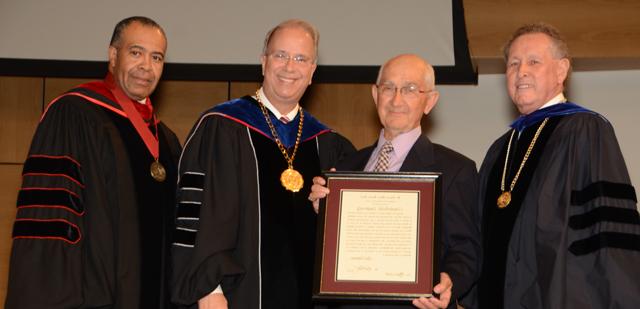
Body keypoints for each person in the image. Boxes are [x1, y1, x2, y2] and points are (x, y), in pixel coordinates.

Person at [170, 19, 355, 309]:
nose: (289, 67)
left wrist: (330, 212)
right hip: (235, 295)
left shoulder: (328, 144)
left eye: (300, 58)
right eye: (280, 55)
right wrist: (209, 288)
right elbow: (196, 213)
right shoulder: (222, 127)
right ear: (263, 62)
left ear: (312, 71)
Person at [5, 16, 181, 308]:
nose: (146, 67)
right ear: (113, 56)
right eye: (136, 53)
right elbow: (51, 224)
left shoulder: (167, 141)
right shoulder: (72, 115)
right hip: (91, 299)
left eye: (157, 57)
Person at [472, 23, 640, 308]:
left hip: (560, 296)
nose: (521, 71)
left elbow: (606, 231)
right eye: (513, 64)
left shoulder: (585, 130)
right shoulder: (500, 149)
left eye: (533, 61)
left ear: (561, 71)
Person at [308, 54, 481, 309]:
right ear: (375, 95)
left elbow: (467, 250)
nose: (396, 100)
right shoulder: (345, 168)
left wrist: (449, 280)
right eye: (388, 88)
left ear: (429, 101)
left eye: (410, 89)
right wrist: (321, 216)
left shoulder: (456, 170)